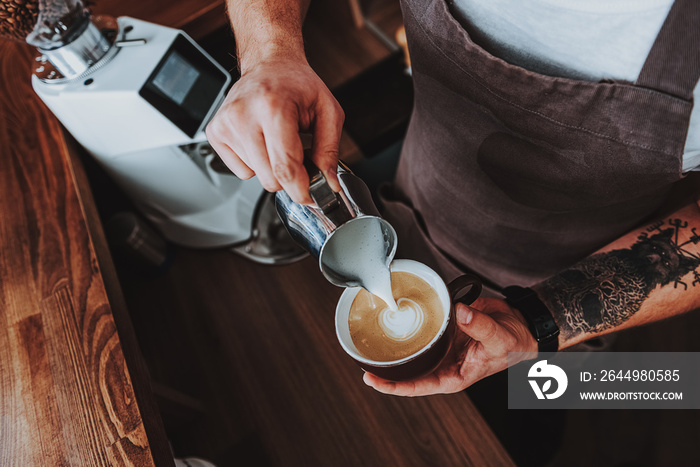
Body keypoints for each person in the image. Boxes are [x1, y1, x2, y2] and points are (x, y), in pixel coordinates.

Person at [206, 0, 700, 397]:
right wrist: (270, 51)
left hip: (574, 284)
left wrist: (539, 324)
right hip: (409, 199)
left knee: (542, 408)